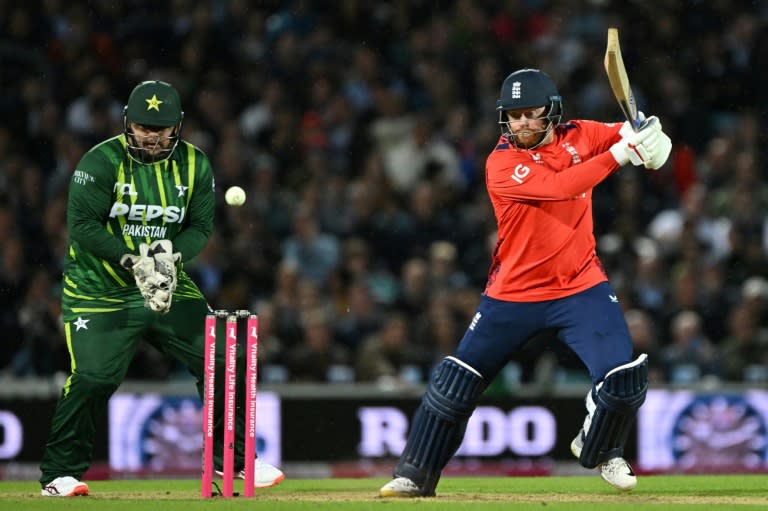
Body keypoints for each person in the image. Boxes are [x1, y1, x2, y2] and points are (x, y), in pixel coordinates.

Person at [379, 68, 672, 497]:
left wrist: (649, 137)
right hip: (512, 294)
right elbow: (561, 187)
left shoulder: (581, 134)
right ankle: (414, 474)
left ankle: (604, 447)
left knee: (622, 377)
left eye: (530, 115)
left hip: (580, 285)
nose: (521, 125)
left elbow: (623, 131)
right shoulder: (501, 162)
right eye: (513, 116)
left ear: (552, 112)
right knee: (454, 386)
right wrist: (621, 155)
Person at [38, 80, 284, 497]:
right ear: (127, 123)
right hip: (100, 290)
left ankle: (235, 462)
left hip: (165, 282)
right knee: (94, 378)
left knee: (225, 357)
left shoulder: (194, 165)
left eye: (161, 129)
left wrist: (171, 260)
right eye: (143, 128)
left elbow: (200, 227)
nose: (152, 137)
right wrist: (132, 260)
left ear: (178, 127)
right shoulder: (99, 163)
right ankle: (59, 474)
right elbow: (81, 226)